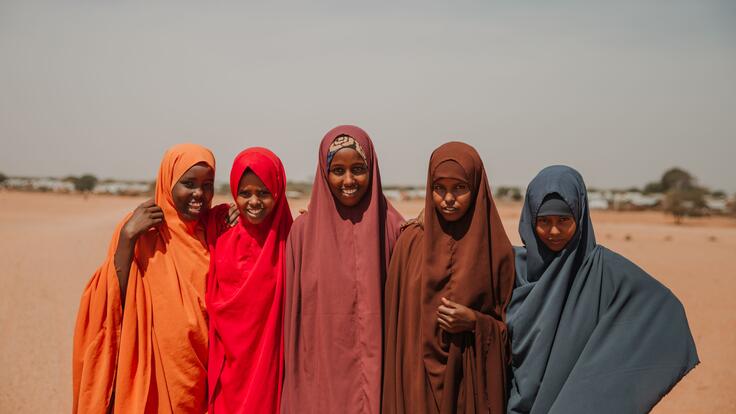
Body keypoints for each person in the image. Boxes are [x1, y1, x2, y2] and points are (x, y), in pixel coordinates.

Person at [506, 165, 699, 414]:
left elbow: (663, 310)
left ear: (580, 216)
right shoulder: (512, 268)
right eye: (544, 221)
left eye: (564, 220)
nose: (553, 231)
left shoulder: (605, 271)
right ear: (530, 220)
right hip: (514, 401)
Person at [72, 143, 229, 413]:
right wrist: (126, 239)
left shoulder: (216, 229)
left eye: (207, 185)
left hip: (201, 376)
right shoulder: (140, 230)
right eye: (189, 183)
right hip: (154, 373)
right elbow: (110, 301)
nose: (199, 194)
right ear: (168, 183)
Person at [382, 141, 516, 414]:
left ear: (477, 188)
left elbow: (513, 334)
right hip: (416, 388)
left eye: (460, 188)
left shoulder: (496, 252)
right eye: (439, 188)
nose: (449, 198)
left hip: (470, 389)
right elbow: (397, 331)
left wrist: (476, 323)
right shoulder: (410, 243)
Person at [281, 125, 404, 414]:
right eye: (338, 170)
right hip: (321, 381)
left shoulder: (395, 229)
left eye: (358, 168)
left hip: (378, 377)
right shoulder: (302, 234)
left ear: (372, 169)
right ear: (324, 173)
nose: (349, 180)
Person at [207, 147, 293, 413]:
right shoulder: (221, 238)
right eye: (245, 193)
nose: (254, 202)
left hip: (274, 371)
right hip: (229, 376)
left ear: (278, 193)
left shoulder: (293, 241)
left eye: (264, 193)